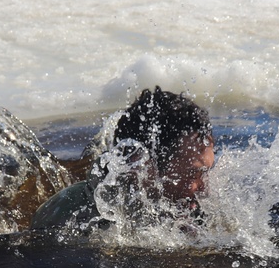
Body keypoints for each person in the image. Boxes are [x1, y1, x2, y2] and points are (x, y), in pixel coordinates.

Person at [30, 87, 215, 230]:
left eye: (206, 173)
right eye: (192, 174)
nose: (204, 190)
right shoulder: (69, 219)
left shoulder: (195, 211)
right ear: (139, 163)